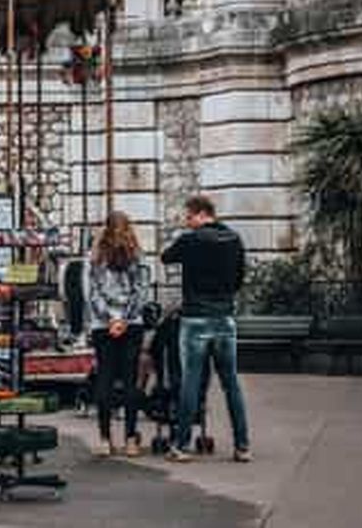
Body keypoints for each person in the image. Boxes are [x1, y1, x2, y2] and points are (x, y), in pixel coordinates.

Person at [160, 194, 251, 462]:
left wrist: (185, 241)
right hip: (224, 317)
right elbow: (238, 279)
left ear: (200, 214)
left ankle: (182, 445)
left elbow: (166, 257)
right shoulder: (234, 240)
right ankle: (242, 445)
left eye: (189, 217)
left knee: (191, 382)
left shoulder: (190, 240)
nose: (188, 223)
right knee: (231, 383)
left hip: (195, 317)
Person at [87, 210, 148, 457]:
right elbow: (141, 292)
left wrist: (109, 319)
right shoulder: (137, 255)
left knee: (105, 378)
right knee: (130, 379)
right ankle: (131, 440)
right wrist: (124, 319)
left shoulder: (96, 257)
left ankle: (104, 439)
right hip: (131, 324)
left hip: (103, 326)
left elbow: (92, 294)